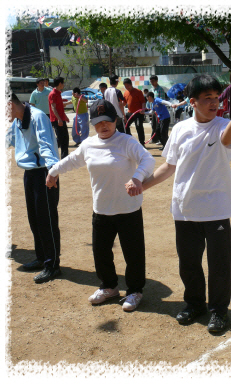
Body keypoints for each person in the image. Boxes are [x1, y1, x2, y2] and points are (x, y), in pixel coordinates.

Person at [142, 75, 231, 333]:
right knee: (188, 263)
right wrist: (143, 185)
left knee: (219, 266)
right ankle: (194, 304)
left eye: (216, 97)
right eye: (207, 99)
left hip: (216, 209)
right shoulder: (180, 129)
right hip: (184, 209)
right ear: (192, 102)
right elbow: (169, 166)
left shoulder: (224, 125)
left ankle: (218, 311)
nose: (214, 103)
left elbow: (227, 141)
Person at [45, 99, 155, 312]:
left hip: (128, 209)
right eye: (98, 122)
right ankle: (109, 287)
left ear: (115, 119)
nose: (103, 126)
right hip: (102, 210)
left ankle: (134, 291)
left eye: (107, 121)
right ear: (93, 123)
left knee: (133, 253)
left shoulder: (126, 142)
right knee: (101, 252)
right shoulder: (89, 144)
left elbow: (148, 160)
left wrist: (138, 177)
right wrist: (53, 171)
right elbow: (72, 160)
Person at [7, 93, 61, 284]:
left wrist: (52, 172)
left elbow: (47, 146)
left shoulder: (38, 117)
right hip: (29, 174)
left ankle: (52, 265)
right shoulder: (17, 121)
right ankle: (41, 258)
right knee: (34, 219)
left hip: (44, 173)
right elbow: (7, 140)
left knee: (46, 220)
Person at [48, 76, 72, 159]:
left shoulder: (58, 93)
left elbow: (59, 107)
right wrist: (59, 119)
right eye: (63, 83)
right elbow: (53, 107)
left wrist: (64, 116)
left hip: (61, 119)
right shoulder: (53, 94)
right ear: (60, 83)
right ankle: (50, 154)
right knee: (60, 139)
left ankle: (64, 158)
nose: (64, 85)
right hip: (57, 120)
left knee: (65, 138)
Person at [123, 78, 147, 147]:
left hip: (138, 113)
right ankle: (130, 140)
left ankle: (142, 143)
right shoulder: (125, 92)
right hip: (130, 113)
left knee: (139, 126)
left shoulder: (138, 91)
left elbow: (143, 102)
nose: (127, 87)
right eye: (125, 86)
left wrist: (143, 109)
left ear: (131, 84)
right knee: (125, 125)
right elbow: (123, 103)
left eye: (128, 86)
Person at [150, 75, 167, 144]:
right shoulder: (152, 90)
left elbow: (162, 101)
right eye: (151, 81)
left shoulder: (160, 89)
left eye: (153, 81)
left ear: (157, 81)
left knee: (160, 126)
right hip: (154, 111)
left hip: (160, 111)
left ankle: (162, 139)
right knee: (154, 125)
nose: (152, 83)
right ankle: (155, 139)